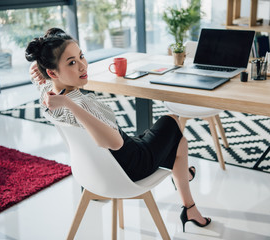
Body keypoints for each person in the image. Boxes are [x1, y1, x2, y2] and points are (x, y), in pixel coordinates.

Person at [26, 28, 211, 232]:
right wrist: (71, 105)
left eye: (81, 56)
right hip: (130, 166)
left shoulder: (49, 96)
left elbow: (39, 79)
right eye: (71, 62)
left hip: (98, 171)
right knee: (172, 121)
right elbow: (115, 143)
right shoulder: (77, 104)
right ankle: (186, 187)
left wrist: (36, 68)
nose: (82, 66)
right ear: (52, 72)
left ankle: (187, 197)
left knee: (178, 143)